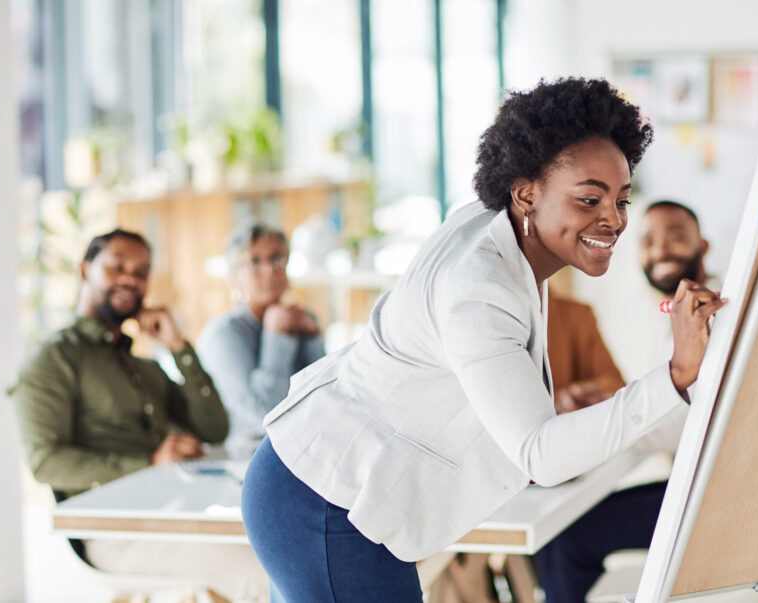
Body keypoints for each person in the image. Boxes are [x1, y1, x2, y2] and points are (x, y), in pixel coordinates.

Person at [240, 77, 725, 602]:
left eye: (621, 200)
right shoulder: (478, 289)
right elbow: (540, 453)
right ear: (525, 193)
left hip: (318, 489)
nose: (612, 220)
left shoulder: (500, 229)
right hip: (324, 508)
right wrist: (677, 375)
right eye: (589, 199)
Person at [11, 228, 269, 602]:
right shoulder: (54, 358)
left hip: (177, 513)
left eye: (142, 271)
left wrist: (179, 346)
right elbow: (46, 463)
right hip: (115, 533)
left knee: (289, 547)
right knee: (264, 575)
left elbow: (214, 427)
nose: (131, 278)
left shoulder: (143, 364)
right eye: (117, 267)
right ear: (85, 271)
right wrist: (150, 461)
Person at [535, 199, 712, 602]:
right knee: (560, 534)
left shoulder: (709, 312)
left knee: (566, 537)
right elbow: (675, 401)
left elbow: (687, 421)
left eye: (676, 236)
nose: (661, 249)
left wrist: (609, 425)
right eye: (648, 241)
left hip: (712, 499)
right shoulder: (666, 316)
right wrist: (611, 406)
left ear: (703, 245)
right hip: (688, 487)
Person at [197, 223, 325, 456]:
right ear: (235, 277)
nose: (269, 271)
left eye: (277, 259)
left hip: (307, 451)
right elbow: (265, 416)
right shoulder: (223, 335)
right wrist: (277, 336)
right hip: (249, 459)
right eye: (254, 263)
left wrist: (312, 338)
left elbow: (325, 400)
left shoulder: (302, 319)